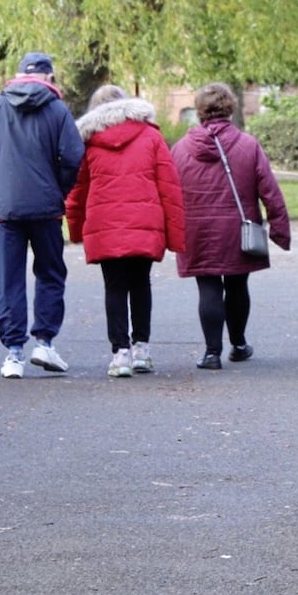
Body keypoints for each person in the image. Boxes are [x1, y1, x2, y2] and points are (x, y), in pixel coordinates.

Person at [0, 52, 85, 378]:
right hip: (46, 206)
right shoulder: (58, 109)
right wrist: (58, 189)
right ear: (48, 78)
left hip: (4, 208)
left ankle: (13, 352)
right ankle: (45, 342)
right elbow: (74, 156)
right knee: (50, 272)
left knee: (8, 279)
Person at [65, 85, 186, 377]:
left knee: (115, 287)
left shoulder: (88, 143)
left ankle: (120, 354)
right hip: (145, 221)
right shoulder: (151, 136)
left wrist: (76, 228)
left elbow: (77, 191)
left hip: (104, 224)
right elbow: (169, 187)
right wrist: (174, 233)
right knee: (141, 283)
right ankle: (141, 348)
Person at [171, 82, 291, 369]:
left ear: (200, 111)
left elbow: (169, 192)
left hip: (196, 229)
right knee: (238, 284)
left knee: (207, 285)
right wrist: (279, 229)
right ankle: (238, 343)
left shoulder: (180, 150)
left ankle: (212, 353)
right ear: (230, 108)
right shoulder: (248, 146)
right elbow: (269, 190)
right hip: (238, 228)